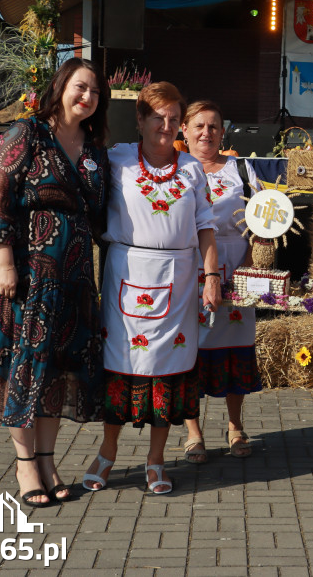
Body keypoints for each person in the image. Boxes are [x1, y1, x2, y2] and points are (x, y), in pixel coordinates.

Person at [0, 57, 110, 508]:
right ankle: (24, 465)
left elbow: (100, 217)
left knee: (56, 370)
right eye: (81, 87)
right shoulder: (27, 134)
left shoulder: (95, 150)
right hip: (26, 275)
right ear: (60, 88)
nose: (88, 98)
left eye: (96, 92)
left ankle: (47, 460)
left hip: (74, 278)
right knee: (24, 366)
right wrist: (5, 264)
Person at [81, 82, 221, 495]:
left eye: (174, 118)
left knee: (167, 370)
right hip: (127, 273)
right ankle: (107, 453)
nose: (166, 124)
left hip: (178, 280)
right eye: (157, 117)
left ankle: (156, 460)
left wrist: (211, 276)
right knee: (121, 365)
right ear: (140, 120)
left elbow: (206, 227)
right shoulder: (116, 160)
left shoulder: (193, 169)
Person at [175, 100, 263, 463]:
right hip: (188, 269)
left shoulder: (241, 169)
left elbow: (264, 221)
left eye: (213, 126)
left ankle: (235, 425)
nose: (206, 133)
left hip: (236, 265)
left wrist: (248, 262)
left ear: (222, 132)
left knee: (235, 345)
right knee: (188, 349)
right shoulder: (175, 169)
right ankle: (193, 432)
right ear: (184, 130)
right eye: (198, 126)